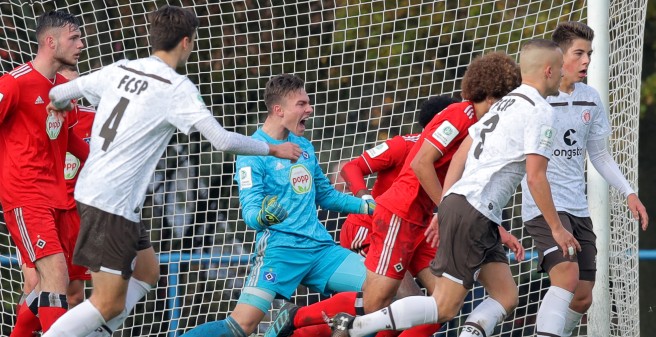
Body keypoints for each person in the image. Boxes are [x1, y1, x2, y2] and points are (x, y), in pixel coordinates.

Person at [41, 6, 301, 337]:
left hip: (105, 196)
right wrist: (273, 148)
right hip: (111, 203)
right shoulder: (176, 88)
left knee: (147, 273)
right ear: (186, 42)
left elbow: (58, 93)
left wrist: (58, 104)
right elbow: (221, 140)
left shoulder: (121, 69)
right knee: (107, 303)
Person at [330, 38, 577, 337]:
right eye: (563, 67)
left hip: (474, 212)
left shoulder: (503, 106)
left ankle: (356, 324)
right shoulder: (538, 111)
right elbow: (536, 177)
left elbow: (462, 156)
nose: (566, 74)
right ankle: (353, 325)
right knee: (438, 305)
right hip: (433, 211)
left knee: (505, 295)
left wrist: (450, 207)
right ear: (549, 71)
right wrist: (556, 227)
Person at [178, 73, 376, 337]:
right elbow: (250, 215)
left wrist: (368, 207)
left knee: (378, 292)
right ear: (278, 110)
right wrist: (264, 216)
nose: (309, 109)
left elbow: (326, 196)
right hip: (279, 252)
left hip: (320, 250)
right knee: (240, 327)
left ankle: (294, 320)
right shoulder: (251, 153)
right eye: (302, 104)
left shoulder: (304, 147)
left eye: (308, 103)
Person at [263, 95, 460, 337]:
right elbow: (350, 167)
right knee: (391, 304)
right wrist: (366, 199)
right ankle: (298, 324)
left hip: (414, 232)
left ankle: (301, 321)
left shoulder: (460, 156)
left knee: (441, 306)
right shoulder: (405, 145)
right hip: (374, 227)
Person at [521, 22, 649, 337]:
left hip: (578, 207)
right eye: (579, 53)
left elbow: (600, 156)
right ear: (557, 56)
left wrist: (629, 192)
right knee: (566, 276)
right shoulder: (534, 100)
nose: (586, 61)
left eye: (589, 54)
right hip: (545, 206)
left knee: (582, 296)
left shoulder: (590, 98)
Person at [0, 10, 88, 335]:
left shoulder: (63, 92)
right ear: (51, 42)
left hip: (58, 200)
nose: (81, 43)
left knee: (47, 287)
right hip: (26, 197)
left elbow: (71, 143)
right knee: (56, 278)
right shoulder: (14, 83)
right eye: (74, 38)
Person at [13, 66, 94, 336]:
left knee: (71, 293)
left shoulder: (93, 119)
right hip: (35, 206)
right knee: (37, 282)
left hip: (75, 213)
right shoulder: (35, 112)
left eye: (74, 91)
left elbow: (91, 155)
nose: (70, 98)